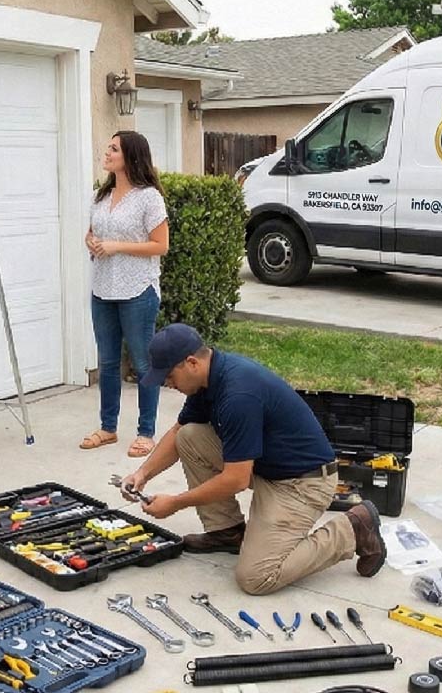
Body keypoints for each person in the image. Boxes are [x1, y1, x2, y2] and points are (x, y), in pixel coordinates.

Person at [119, 323, 386, 596]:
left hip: (302, 484)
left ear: (191, 363)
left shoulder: (237, 395)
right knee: (189, 436)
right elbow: (178, 432)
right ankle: (227, 532)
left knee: (257, 577)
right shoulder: (207, 381)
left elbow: (235, 479)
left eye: (169, 376)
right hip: (267, 467)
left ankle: (352, 529)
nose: (167, 383)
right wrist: (142, 474)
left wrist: (176, 503)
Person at [81, 131, 170, 458]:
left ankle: (146, 433)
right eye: (108, 147)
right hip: (102, 289)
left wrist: (117, 246)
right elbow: (92, 232)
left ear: (131, 156)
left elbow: (161, 245)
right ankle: (108, 428)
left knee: (143, 363)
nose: (107, 153)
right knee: (107, 363)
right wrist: (91, 242)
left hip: (138, 290)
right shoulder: (101, 195)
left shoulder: (149, 198)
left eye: (114, 149)